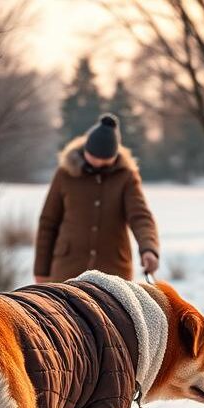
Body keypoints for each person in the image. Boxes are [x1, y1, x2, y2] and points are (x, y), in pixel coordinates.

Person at [34, 113, 160, 283]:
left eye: (105, 162)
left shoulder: (127, 176)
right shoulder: (65, 173)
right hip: (67, 270)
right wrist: (41, 271)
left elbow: (140, 217)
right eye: (94, 159)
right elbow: (48, 222)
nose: (99, 164)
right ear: (86, 150)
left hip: (113, 275)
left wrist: (149, 249)